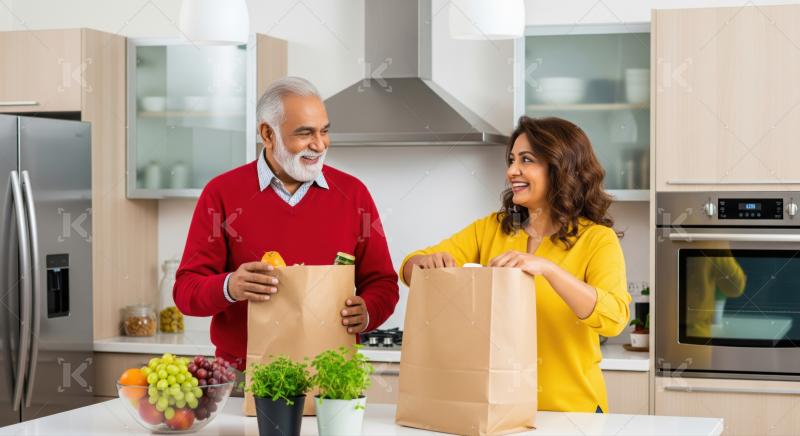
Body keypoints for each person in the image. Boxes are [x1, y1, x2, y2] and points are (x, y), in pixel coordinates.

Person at [400, 116, 630, 413]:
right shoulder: (492, 229)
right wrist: (424, 262)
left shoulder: (597, 239)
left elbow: (614, 318)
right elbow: (409, 268)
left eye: (526, 160)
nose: (512, 171)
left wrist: (548, 269)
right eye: (511, 160)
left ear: (560, 168)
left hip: (572, 412)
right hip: (498, 409)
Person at [174, 77, 399, 371]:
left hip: (332, 376)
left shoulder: (354, 194)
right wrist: (231, 286)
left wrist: (368, 312)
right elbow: (186, 291)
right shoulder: (222, 194)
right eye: (305, 133)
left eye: (324, 131)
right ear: (268, 134)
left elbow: (383, 283)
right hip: (244, 376)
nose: (319, 145)